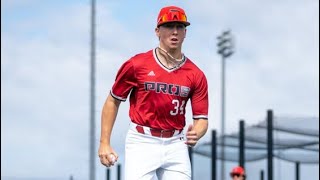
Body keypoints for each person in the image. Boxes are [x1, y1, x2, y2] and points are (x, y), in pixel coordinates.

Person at [98, 5, 209, 180]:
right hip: (142, 141)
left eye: (180, 27)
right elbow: (113, 101)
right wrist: (104, 142)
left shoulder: (196, 74)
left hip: (176, 143)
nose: (174, 32)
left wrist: (198, 131)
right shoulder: (137, 64)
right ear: (157, 31)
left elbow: (201, 119)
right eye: (169, 26)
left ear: (185, 32)